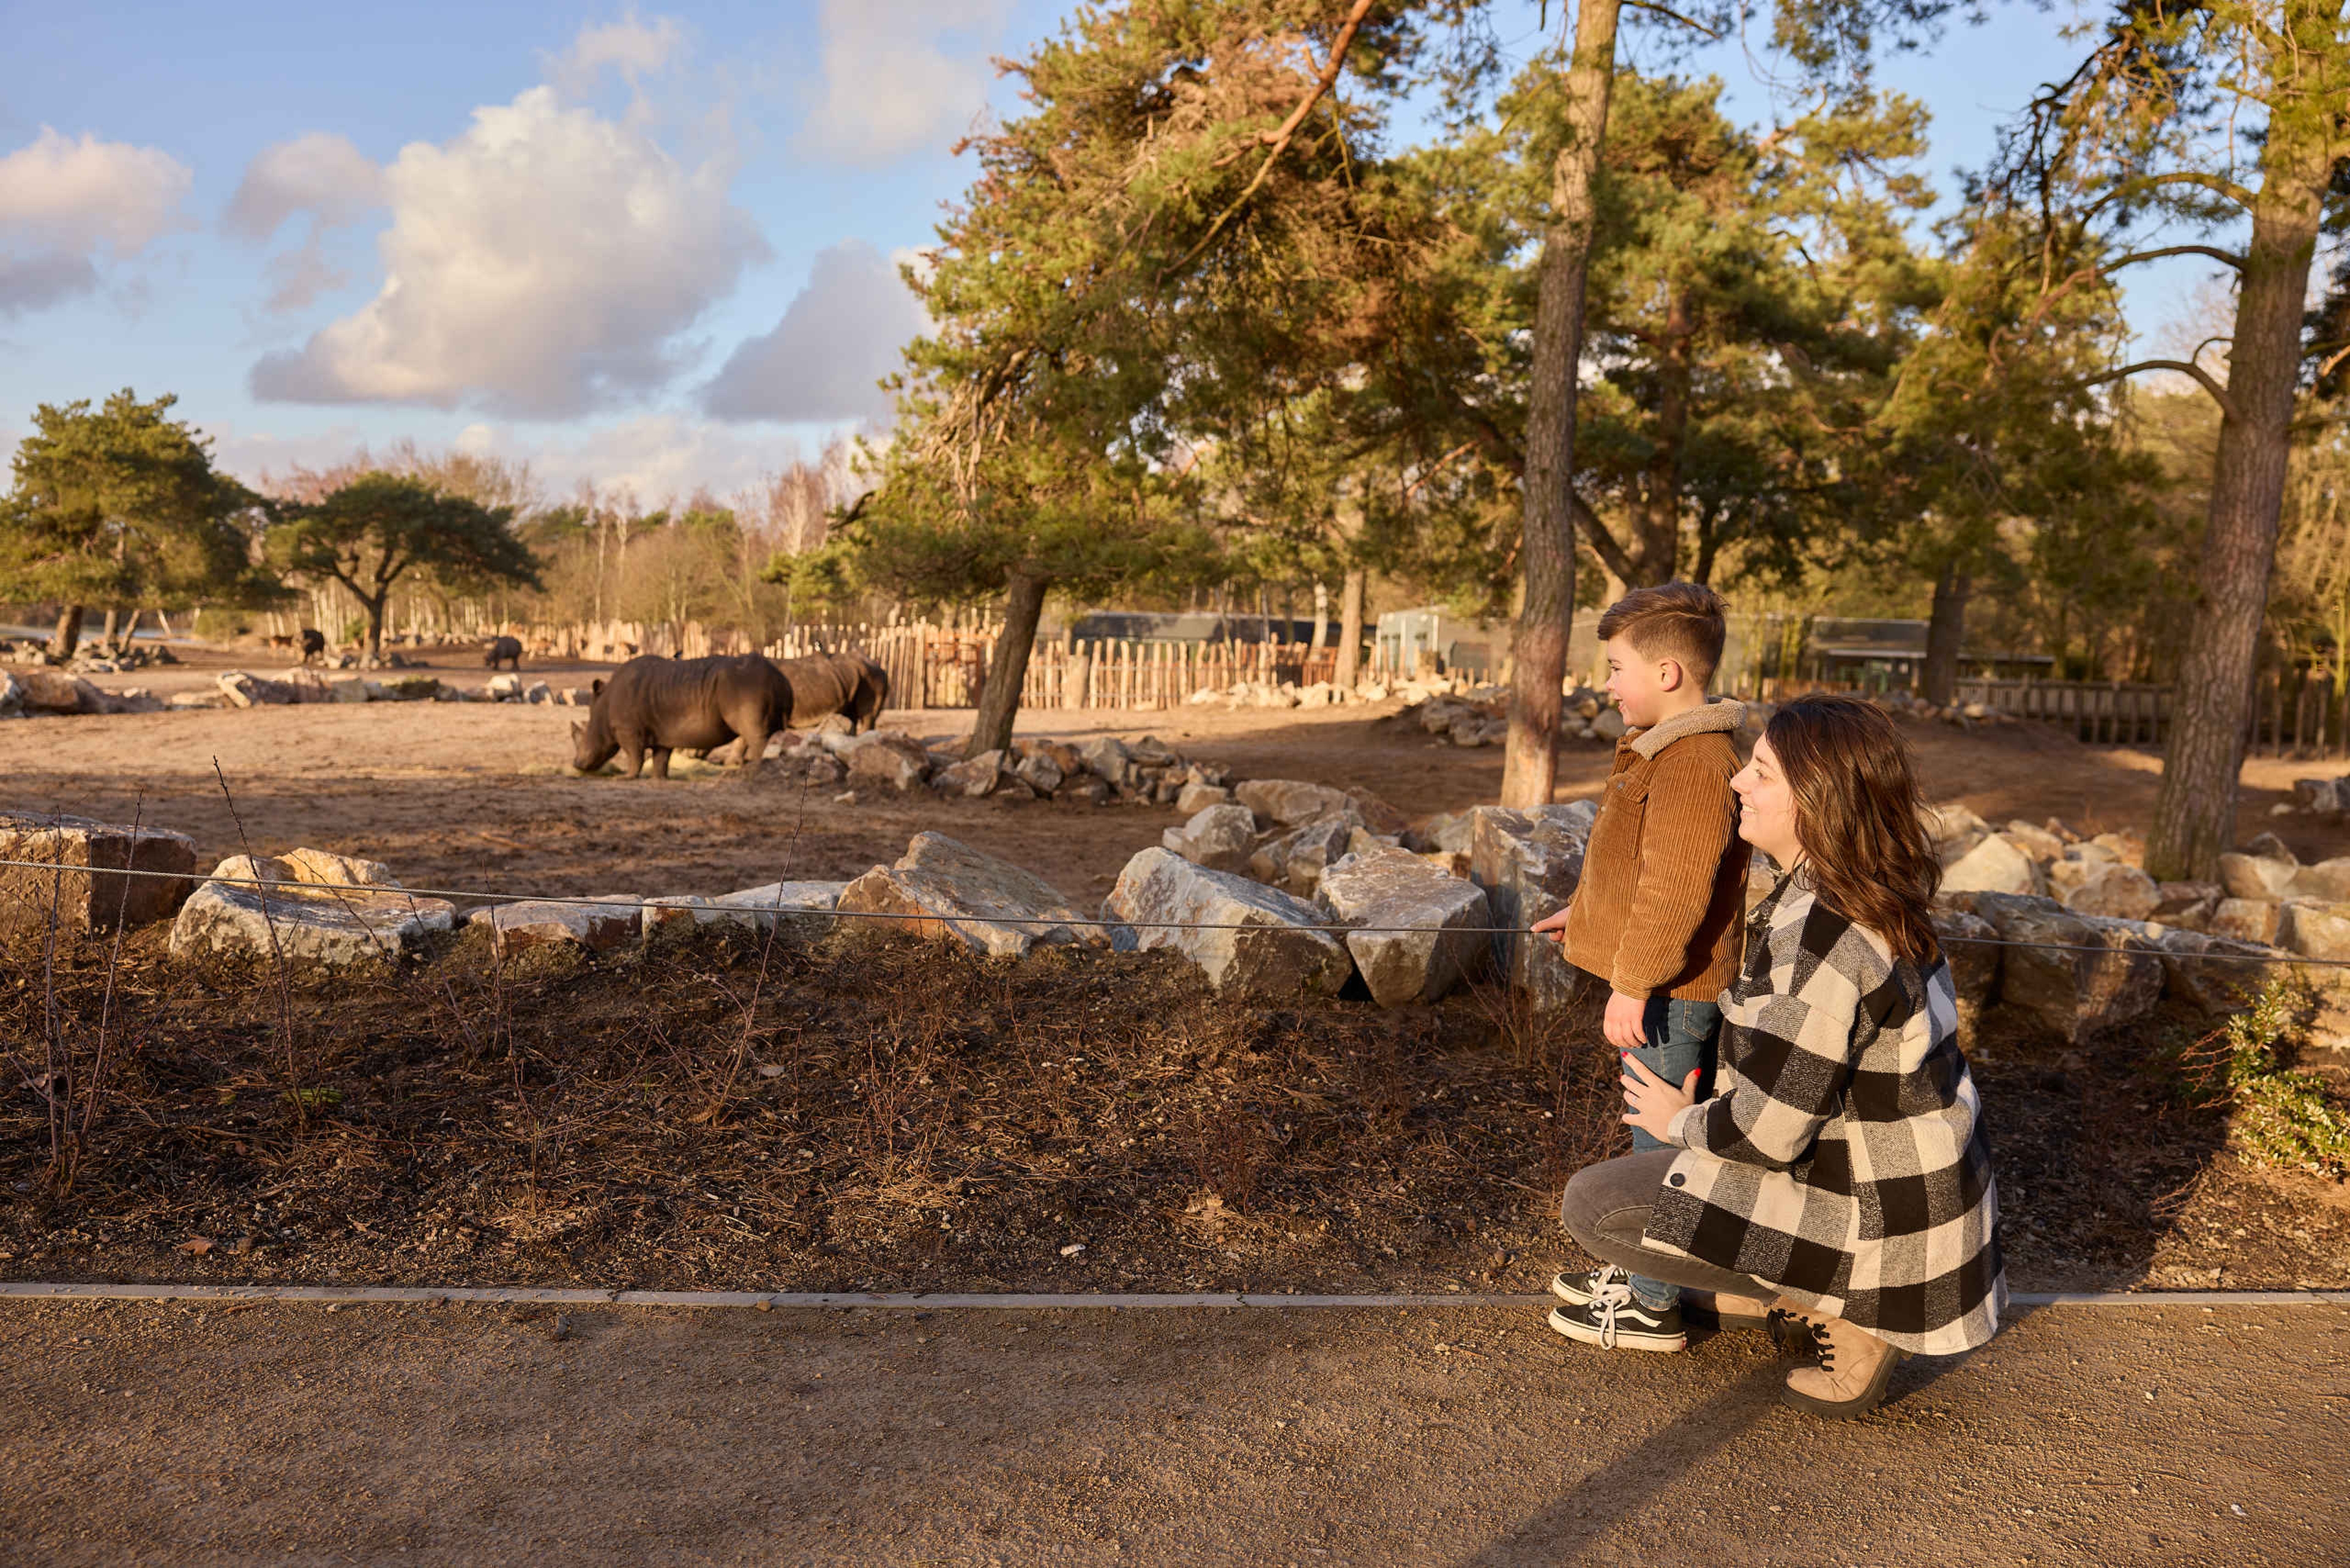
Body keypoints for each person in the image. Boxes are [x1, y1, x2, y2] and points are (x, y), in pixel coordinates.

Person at [1557, 693, 2007, 1416]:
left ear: (1817, 798)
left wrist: (1680, 1119)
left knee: (1599, 1206)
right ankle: (1768, 1283)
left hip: (1883, 1221)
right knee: (1667, 1188)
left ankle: (1852, 1315)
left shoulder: (1825, 935)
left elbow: (1768, 1134)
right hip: (1919, 1188)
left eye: (1761, 773)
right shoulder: (1859, 890)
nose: (1738, 781)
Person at [1529, 583, 1753, 1353]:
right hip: (1660, 982)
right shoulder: (1670, 748)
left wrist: (1633, 983)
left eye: (1618, 666)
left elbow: (1676, 890)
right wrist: (1584, 915)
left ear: (1667, 673)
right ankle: (1644, 1271)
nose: (1609, 682)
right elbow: (1634, 864)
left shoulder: (1694, 761)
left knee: (1661, 1142)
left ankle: (1655, 1300)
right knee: (1649, 1131)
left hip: (1671, 993)